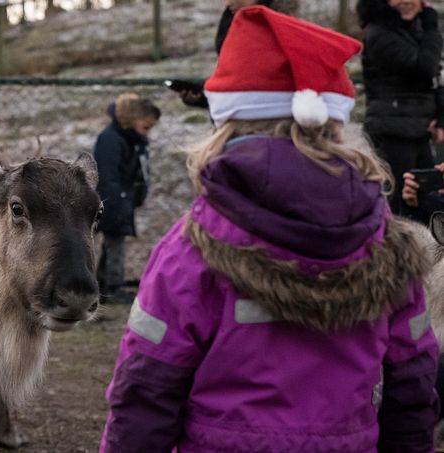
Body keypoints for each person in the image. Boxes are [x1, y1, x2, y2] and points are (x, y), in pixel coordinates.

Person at [100, 6, 438, 453]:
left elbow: (147, 384)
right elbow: (413, 379)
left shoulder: (193, 245)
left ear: (225, 126)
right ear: (337, 128)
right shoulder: (389, 245)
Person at [358, 0, 444, 215]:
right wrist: (432, 28)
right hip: (392, 132)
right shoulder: (379, 32)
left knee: (425, 200)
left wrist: (440, 115)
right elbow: (425, 65)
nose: (406, 1)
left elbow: (435, 77)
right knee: (395, 206)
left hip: (418, 130)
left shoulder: (413, 30)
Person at [94, 93, 161, 305]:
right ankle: (113, 286)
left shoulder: (134, 139)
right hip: (112, 199)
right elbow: (107, 175)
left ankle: (105, 282)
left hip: (123, 198)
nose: (148, 133)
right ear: (133, 120)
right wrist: (116, 202)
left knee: (113, 241)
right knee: (115, 241)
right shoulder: (111, 139)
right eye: (146, 127)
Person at [178, 0, 299, 108]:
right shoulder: (231, 18)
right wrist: (204, 98)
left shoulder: (286, 24)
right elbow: (234, 77)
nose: (228, 3)